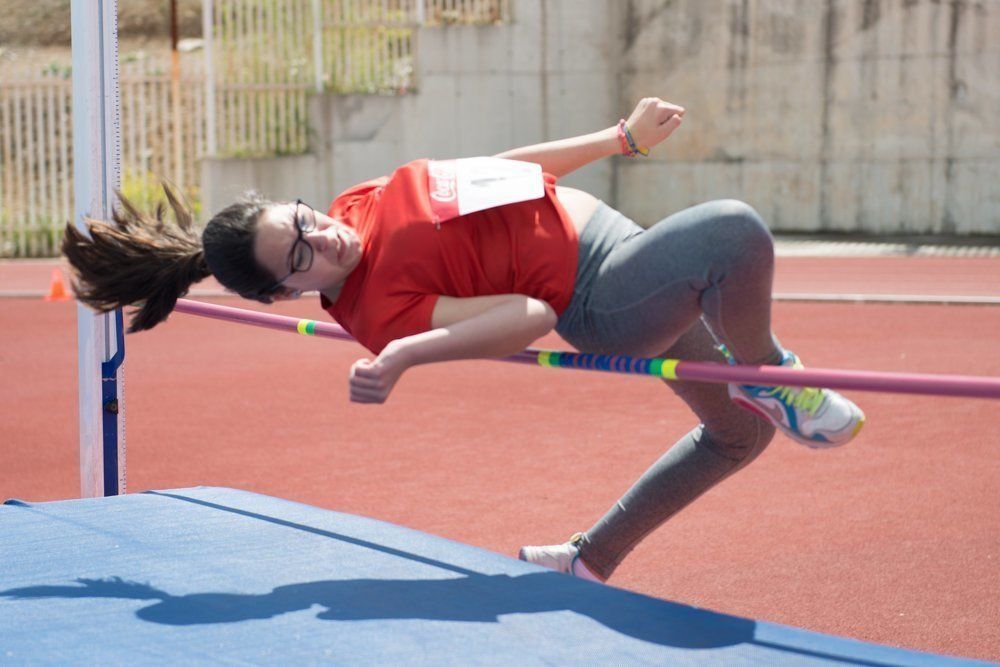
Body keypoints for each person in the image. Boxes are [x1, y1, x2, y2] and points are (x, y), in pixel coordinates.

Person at [63, 97, 864, 583]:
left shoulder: (359, 200)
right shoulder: (378, 309)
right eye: (302, 256)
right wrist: (407, 353)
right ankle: (772, 373)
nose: (326, 239)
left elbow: (505, 170)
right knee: (732, 232)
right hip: (604, 291)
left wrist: (620, 137)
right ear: (285, 292)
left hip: (621, 243)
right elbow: (532, 316)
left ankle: (587, 559)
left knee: (734, 437)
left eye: (304, 219)